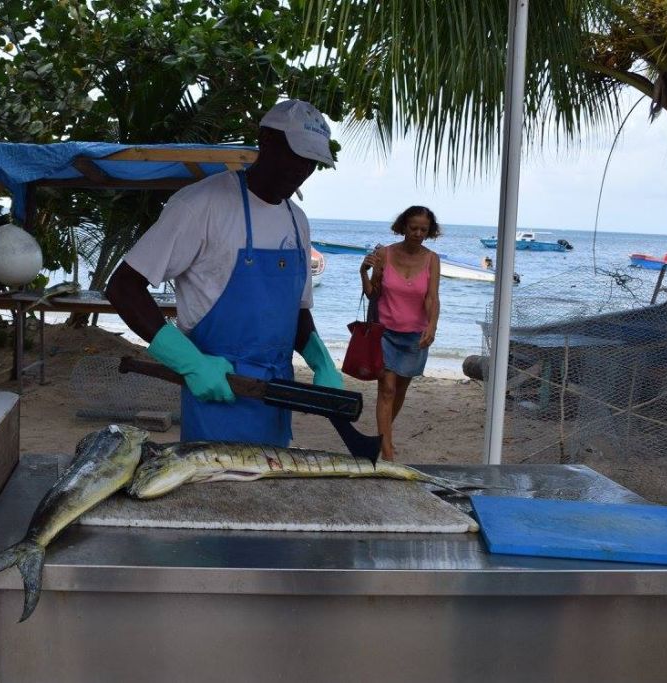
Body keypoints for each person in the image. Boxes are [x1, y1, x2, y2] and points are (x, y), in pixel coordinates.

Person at [106, 99, 342, 446]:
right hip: (217, 392)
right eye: (295, 155)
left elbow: (297, 309)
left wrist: (321, 362)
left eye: (311, 162)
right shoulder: (201, 204)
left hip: (276, 396)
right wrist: (189, 362)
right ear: (266, 140)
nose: (301, 169)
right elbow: (124, 287)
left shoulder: (297, 221)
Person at [360, 206, 442, 461]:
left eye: (423, 230)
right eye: (413, 228)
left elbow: (432, 297)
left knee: (400, 391)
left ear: (429, 232)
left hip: (414, 335)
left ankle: (383, 436)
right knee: (387, 388)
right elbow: (373, 293)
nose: (417, 234)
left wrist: (432, 326)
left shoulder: (432, 259)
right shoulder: (384, 254)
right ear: (403, 227)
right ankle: (387, 453)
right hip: (384, 331)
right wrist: (363, 271)